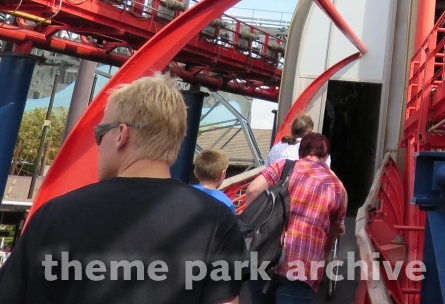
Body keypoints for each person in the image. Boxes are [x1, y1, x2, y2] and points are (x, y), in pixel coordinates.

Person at [0, 74, 247, 304]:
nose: (98, 146)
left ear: (121, 134)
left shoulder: (52, 215)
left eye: (100, 134)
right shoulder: (215, 220)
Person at [245, 132, 346, 303]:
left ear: (300, 152)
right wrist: (324, 258)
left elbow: (253, 190)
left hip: (265, 255)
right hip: (303, 267)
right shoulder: (338, 188)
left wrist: (255, 220)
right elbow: (334, 229)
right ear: (326, 157)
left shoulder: (283, 166)